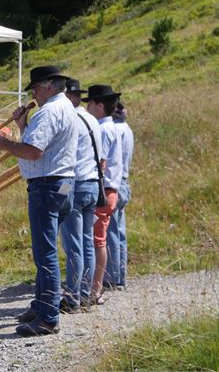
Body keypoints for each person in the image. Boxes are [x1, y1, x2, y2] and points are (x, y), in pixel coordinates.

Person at [0, 65, 77, 336]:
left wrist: (2, 143)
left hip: (47, 185)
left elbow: (33, 151)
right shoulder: (64, 109)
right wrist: (22, 125)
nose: (35, 95)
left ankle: (48, 317)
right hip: (61, 184)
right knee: (46, 251)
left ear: (49, 87)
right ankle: (42, 305)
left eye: (37, 89)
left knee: (45, 253)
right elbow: (43, 146)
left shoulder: (49, 111)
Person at [58, 79, 102, 313]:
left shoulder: (70, 120)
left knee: (73, 245)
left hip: (75, 184)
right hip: (93, 184)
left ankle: (73, 296)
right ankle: (84, 293)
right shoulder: (92, 120)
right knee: (86, 243)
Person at [83, 85, 123, 305]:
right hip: (108, 189)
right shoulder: (111, 126)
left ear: (99, 105)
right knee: (99, 239)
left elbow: (101, 162)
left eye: (90, 103)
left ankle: (95, 289)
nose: (87, 107)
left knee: (97, 241)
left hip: (103, 190)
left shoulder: (103, 129)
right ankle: (93, 286)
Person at [104, 102, 134, 290]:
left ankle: (112, 277)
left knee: (111, 232)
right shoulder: (127, 129)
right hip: (123, 181)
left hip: (115, 182)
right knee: (119, 231)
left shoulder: (115, 129)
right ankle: (120, 274)